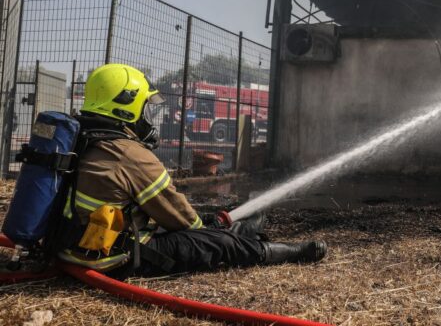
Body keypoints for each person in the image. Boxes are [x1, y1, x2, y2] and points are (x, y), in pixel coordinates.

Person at [54, 63, 326, 276]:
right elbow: (180, 220)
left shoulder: (78, 140)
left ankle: (240, 230)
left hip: (69, 247)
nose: (146, 116)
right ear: (126, 106)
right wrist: (212, 230)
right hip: (114, 258)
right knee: (221, 245)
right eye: (143, 107)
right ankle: (285, 251)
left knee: (209, 224)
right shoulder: (129, 154)